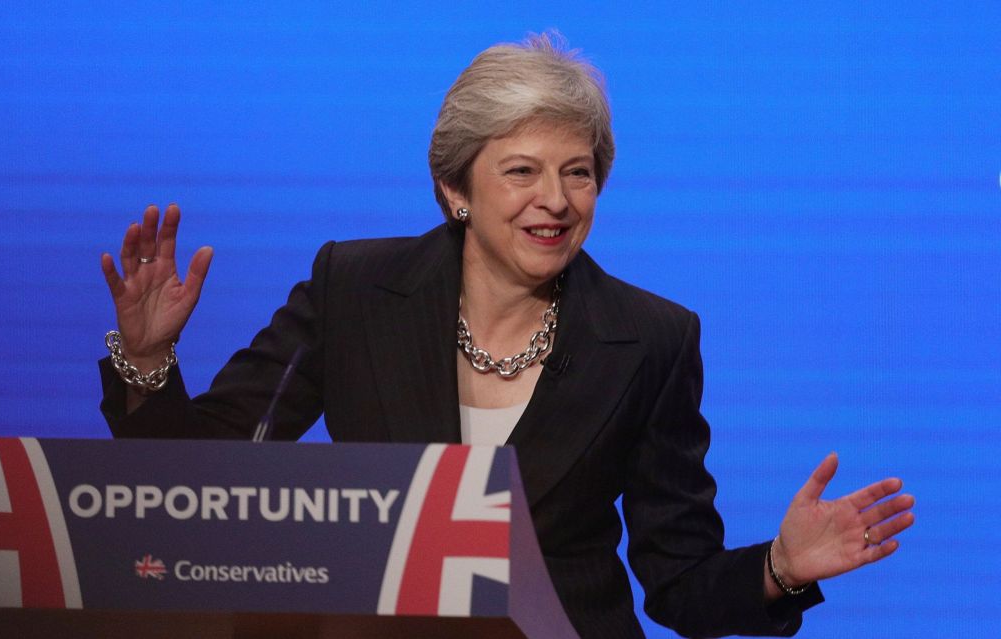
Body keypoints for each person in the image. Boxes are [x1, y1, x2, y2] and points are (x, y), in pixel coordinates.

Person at [99, 35, 915, 638]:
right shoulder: (352, 289)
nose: (555, 200)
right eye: (522, 170)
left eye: (579, 171)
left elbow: (677, 580)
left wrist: (780, 566)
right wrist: (144, 359)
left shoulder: (652, 338)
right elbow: (202, 488)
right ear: (455, 187)